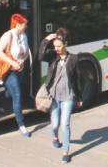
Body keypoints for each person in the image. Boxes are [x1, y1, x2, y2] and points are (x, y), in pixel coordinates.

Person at [45, 36, 83, 164]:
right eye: (54, 46)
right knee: (55, 124)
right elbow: (40, 55)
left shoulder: (73, 59)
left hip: (68, 95)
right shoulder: (52, 57)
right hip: (54, 95)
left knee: (65, 124)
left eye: (59, 46)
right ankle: (55, 137)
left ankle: (66, 151)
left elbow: (77, 79)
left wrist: (79, 97)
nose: (56, 49)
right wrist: (46, 40)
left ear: (66, 44)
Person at [0, 13, 31, 137]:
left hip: (19, 69)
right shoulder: (7, 36)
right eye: (24, 25)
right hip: (8, 70)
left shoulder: (23, 36)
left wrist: (22, 60)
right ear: (17, 25)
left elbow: (26, 52)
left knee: (10, 93)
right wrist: (12, 62)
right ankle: (21, 125)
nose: (25, 27)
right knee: (17, 95)